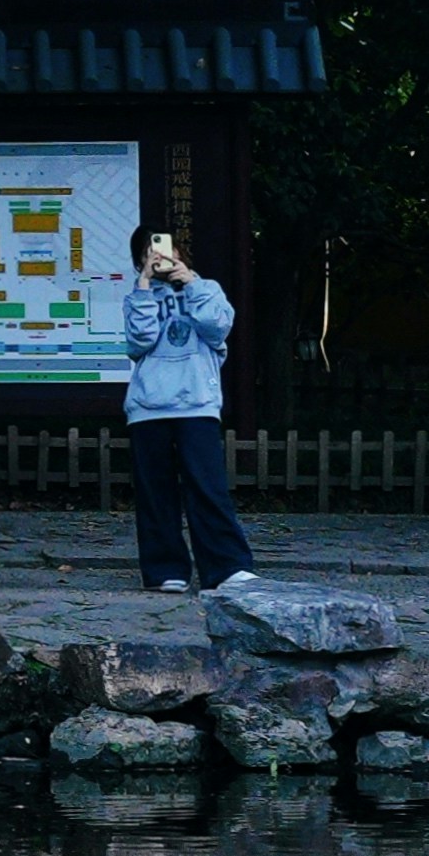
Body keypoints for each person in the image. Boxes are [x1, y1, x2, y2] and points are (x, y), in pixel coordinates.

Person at [122, 222, 257, 594]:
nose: (163, 258)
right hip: (149, 407)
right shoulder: (138, 295)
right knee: (156, 492)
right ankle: (165, 569)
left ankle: (227, 566)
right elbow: (139, 341)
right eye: (151, 253)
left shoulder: (207, 289)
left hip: (197, 404)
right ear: (140, 260)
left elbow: (217, 328)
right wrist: (146, 286)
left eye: (168, 250)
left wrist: (191, 283)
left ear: (180, 252)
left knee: (207, 487)